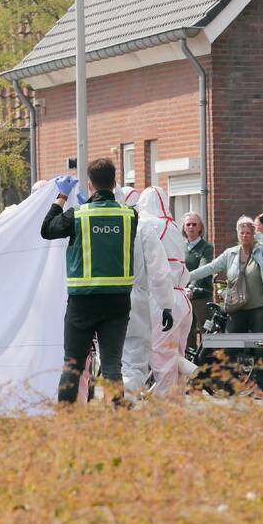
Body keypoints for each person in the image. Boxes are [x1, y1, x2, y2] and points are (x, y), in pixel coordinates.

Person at [41, 158, 136, 405]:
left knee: (73, 364)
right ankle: (118, 424)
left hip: (82, 302)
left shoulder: (78, 215)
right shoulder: (130, 216)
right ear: (115, 183)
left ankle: (67, 423)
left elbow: (47, 229)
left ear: (90, 185)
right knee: (113, 365)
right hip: (118, 302)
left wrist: (62, 196)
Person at [119, 187, 174, 401]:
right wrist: (166, 305)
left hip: (99, 296)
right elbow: (159, 271)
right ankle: (124, 403)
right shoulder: (143, 228)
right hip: (135, 298)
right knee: (134, 359)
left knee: (110, 359)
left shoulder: (98, 223)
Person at [138, 187, 193, 397]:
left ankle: (165, 408)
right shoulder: (173, 226)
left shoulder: (147, 224)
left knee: (162, 358)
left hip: (162, 297)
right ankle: (176, 403)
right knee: (175, 356)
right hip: (182, 297)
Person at [189, 216, 263, 336]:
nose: (245, 235)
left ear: (253, 235)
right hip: (236, 308)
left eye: (248, 233)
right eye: (242, 233)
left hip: (259, 308)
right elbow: (210, 268)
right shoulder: (230, 254)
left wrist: (257, 233)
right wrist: (187, 276)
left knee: (259, 348)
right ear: (237, 234)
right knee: (231, 347)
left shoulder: (260, 252)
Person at [182, 212, 214, 349]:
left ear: (200, 228)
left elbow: (203, 269)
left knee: (206, 332)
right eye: (188, 224)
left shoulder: (206, 248)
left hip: (201, 296)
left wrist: (191, 288)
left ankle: (207, 366)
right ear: (183, 228)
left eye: (194, 224)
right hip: (184, 297)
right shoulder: (180, 247)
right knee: (187, 333)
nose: (191, 227)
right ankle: (190, 366)